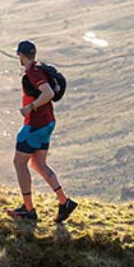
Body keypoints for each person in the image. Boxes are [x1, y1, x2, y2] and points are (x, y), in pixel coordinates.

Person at [7, 40, 78, 223]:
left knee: (19, 163)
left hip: (35, 124)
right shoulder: (40, 68)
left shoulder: (33, 72)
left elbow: (48, 93)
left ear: (21, 56)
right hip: (47, 122)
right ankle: (64, 202)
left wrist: (30, 107)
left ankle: (28, 210)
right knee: (38, 163)